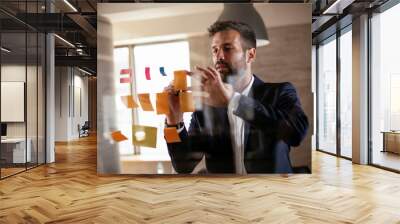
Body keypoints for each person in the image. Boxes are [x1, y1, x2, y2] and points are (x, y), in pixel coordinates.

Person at [163, 20, 308, 174]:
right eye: (215, 50)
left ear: (250, 55)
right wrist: (174, 121)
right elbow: (183, 165)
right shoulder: (206, 107)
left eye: (227, 48)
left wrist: (233, 100)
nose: (219, 56)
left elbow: (296, 133)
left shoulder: (280, 92)